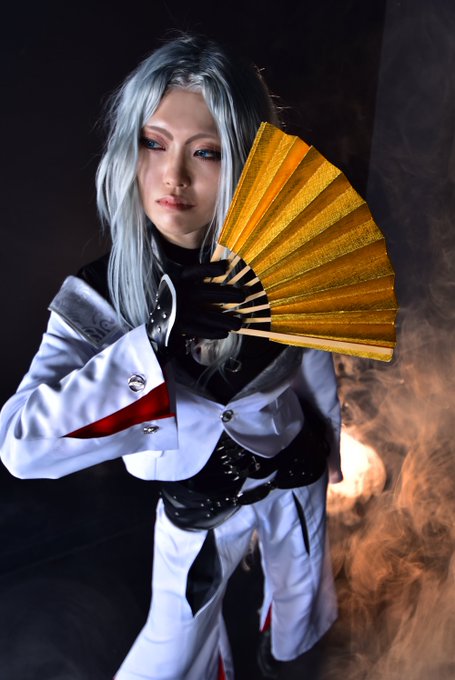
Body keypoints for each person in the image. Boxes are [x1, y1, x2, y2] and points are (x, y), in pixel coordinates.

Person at [0, 34, 342, 680]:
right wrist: (154, 344)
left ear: (246, 161)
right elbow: (21, 446)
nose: (173, 177)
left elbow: (316, 370)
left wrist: (329, 456)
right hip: (195, 512)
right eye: (153, 143)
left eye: (205, 152)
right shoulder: (101, 294)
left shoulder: (287, 264)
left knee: (301, 632)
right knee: (172, 656)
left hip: (293, 478)